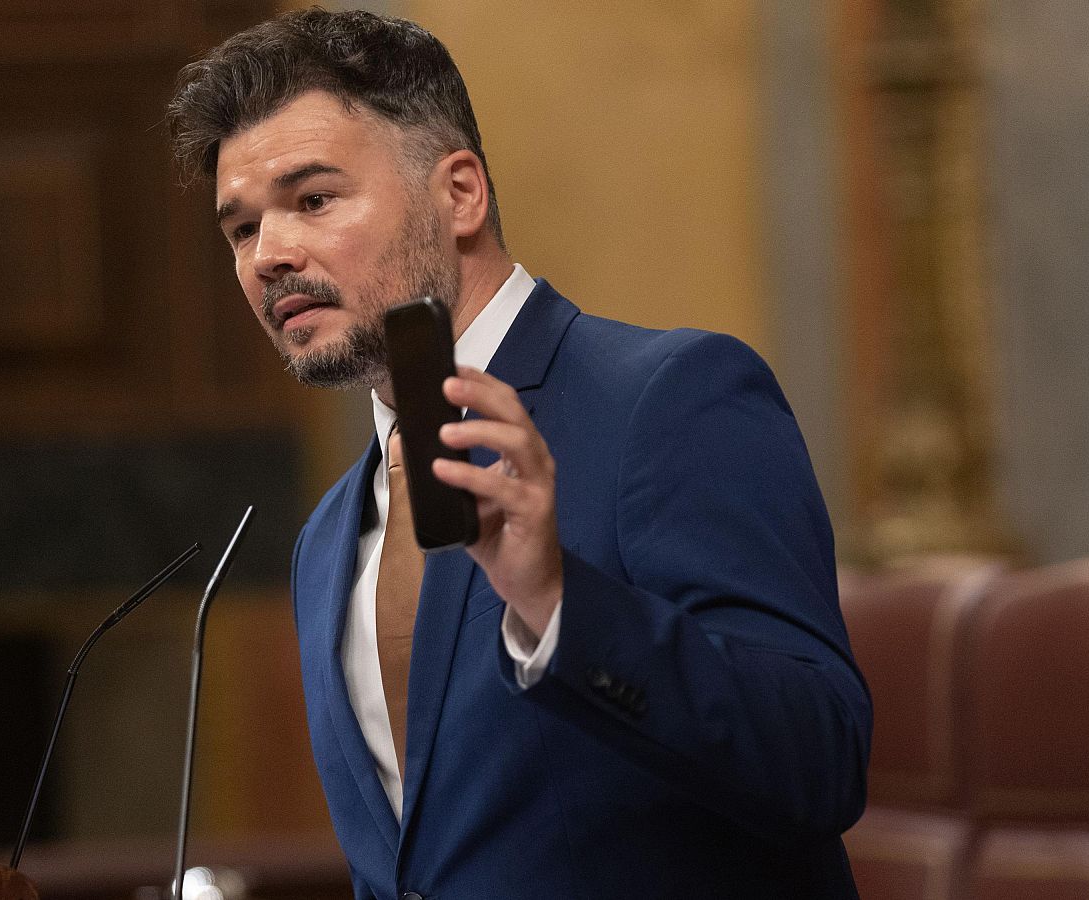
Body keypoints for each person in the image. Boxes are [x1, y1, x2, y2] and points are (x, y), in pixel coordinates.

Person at [167, 9, 870, 898]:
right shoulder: (324, 538)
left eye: (313, 199)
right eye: (240, 229)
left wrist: (557, 599)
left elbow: (821, 760)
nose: (269, 255)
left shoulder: (670, 398)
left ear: (460, 193)